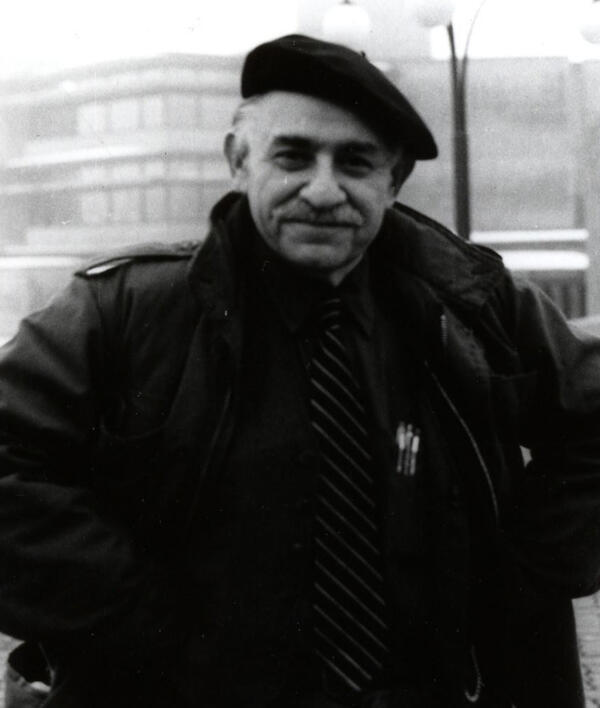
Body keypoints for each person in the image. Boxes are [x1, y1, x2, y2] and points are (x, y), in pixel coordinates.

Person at [0, 33, 599, 708]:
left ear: (393, 181)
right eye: (292, 156)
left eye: (355, 163)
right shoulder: (126, 311)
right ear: (238, 161)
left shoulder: (475, 306)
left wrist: (514, 582)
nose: (322, 190)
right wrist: (138, 619)